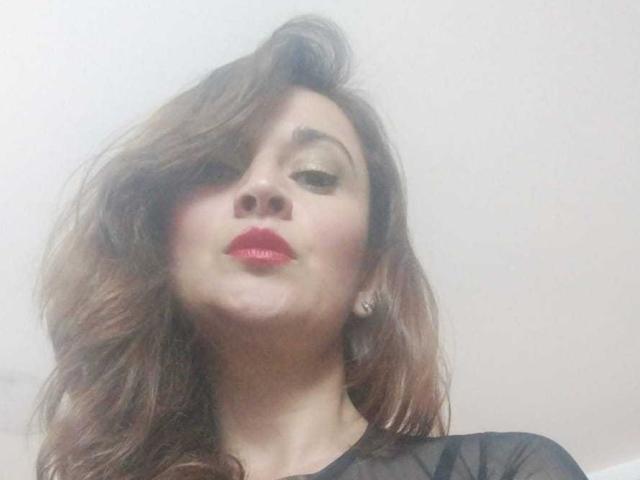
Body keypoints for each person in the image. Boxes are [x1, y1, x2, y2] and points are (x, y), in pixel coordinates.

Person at [34, 15, 588, 480]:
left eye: (316, 175)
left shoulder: (505, 471)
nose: (261, 187)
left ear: (370, 274)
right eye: (217, 168)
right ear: (160, 249)